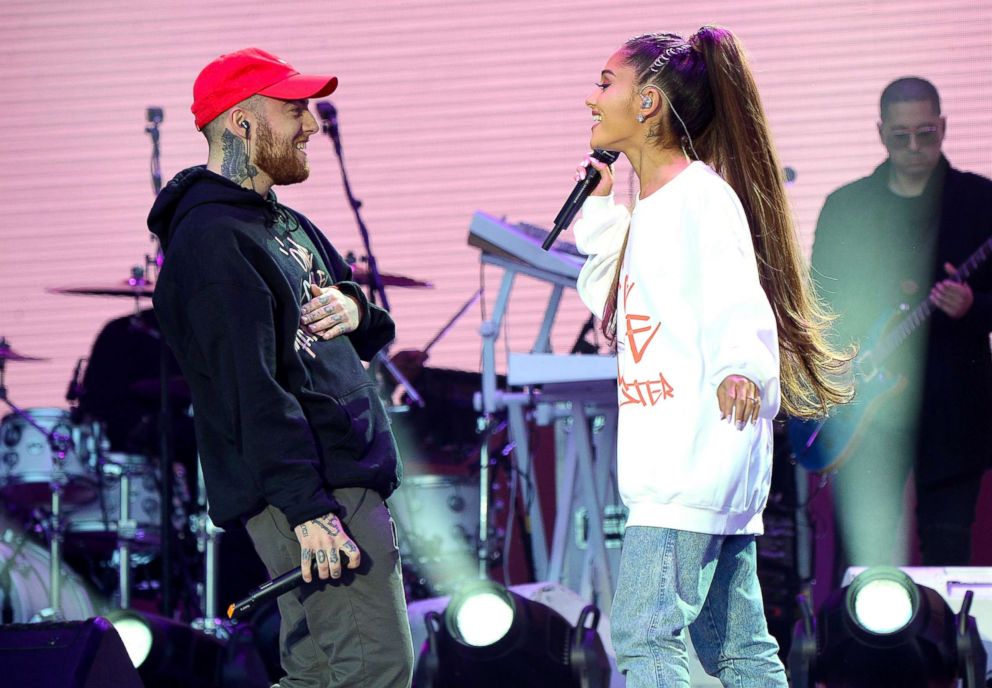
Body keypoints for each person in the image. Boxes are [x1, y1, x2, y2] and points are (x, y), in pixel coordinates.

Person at [572, 27, 853, 687]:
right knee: (737, 646)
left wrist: (741, 367)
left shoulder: (700, 197)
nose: (591, 98)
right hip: (688, 462)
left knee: (643, 638)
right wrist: (599, 209)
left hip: (687, 463)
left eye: (605, 83)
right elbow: (616, 301)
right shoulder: (657, 207)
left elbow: (737, 298)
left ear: (648, 105)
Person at [148, 48, 414, 688]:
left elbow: (369, 328)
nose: (311, 125)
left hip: (328, 479)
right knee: (374, 669)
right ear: (241, 122)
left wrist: (352, 307)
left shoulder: (281, 222)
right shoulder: (214, 240)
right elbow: (250, 393)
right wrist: (309, 511)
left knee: (321, 672)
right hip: (315, 486)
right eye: (293, 109)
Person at [812, 77, 992, 570]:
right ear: (880, 133)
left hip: (952, 412)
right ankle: (854, 648)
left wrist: (973, 304)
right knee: (861, 555)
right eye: (901, 136)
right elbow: (819, 303)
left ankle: (950, 649)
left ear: (945, 127)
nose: (914, 147)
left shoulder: (980, 202)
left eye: (926, 133)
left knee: (948, 553)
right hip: (866, 415)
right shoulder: (847, 207)